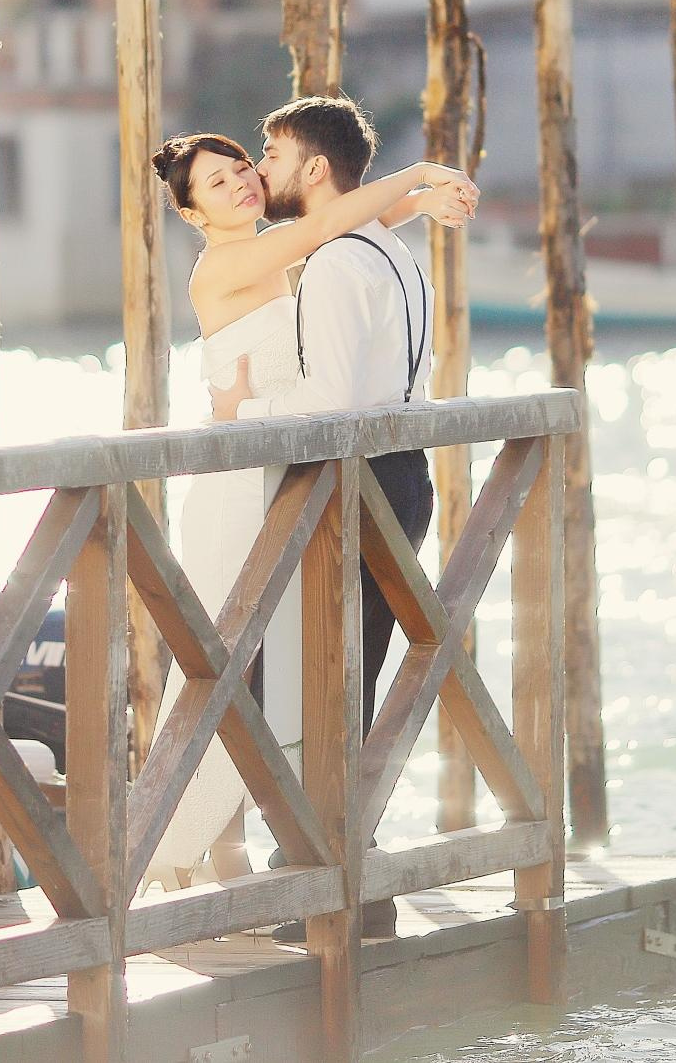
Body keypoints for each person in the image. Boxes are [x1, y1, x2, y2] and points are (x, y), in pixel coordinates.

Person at [143, 122, 477, 897]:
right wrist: (422, 170)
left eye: (241, 170)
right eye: (220, 184)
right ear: (194, 215)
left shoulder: (280, 247)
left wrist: (422, 205)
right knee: (228, 662)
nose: (242, 183)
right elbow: (330, 223)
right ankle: (180, 847)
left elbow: (346, 225)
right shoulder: (222, 263)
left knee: (250, 662)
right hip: (235, 484)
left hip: (273, 475)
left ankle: (221, 854)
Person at [210, 95, 449, 940]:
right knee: (345, 681)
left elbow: (332, 401)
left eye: (271, 155)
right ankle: (350, 881)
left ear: (315, 168)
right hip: (402, 477)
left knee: (299, 681)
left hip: (352, 485)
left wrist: (242, 408)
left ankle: (314, 877)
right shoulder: (395, 252)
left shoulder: (341, 264)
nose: (260, 170)